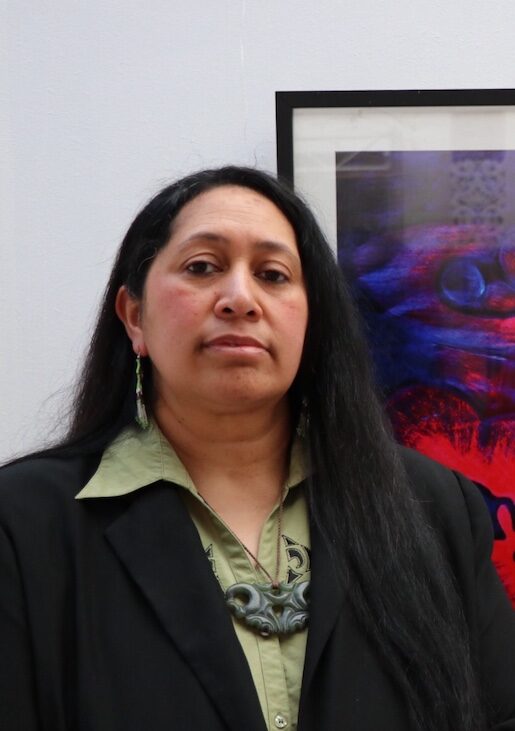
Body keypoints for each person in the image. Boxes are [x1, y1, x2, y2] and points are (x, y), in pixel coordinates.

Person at [0, 166, 514, 731]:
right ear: (135, 316)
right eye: (202, 267)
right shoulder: (23, 525)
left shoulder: (435, 508)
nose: (240, 298)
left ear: (310, 320)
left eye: (273, 275)